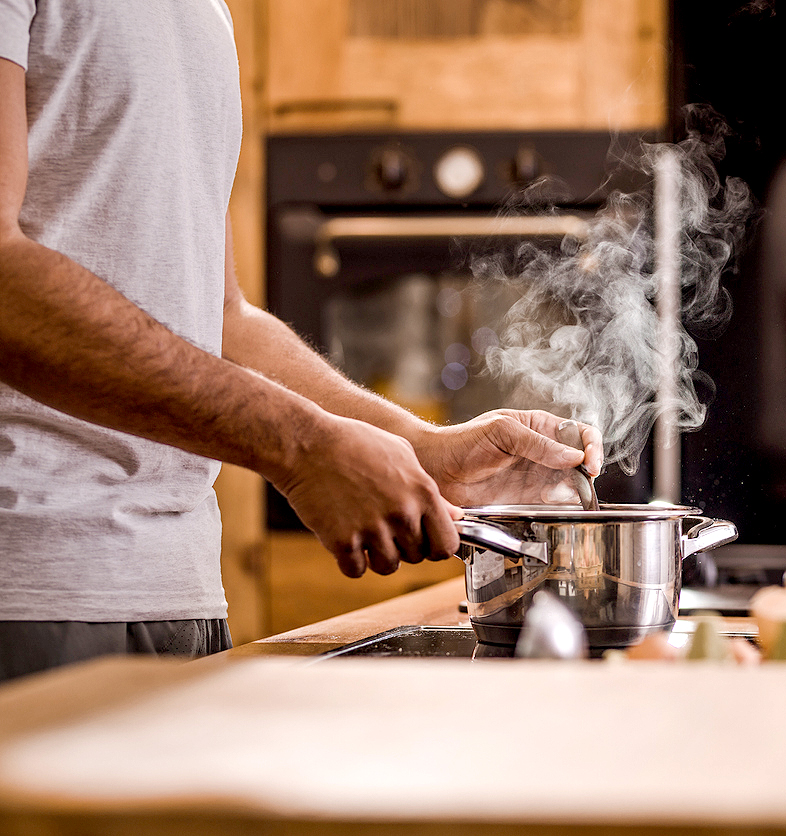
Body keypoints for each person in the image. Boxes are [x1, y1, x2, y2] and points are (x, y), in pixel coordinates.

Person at [0, 1, 601, 681]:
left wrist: (425, 450)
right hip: (26, 592)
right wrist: (300, 445)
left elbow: (218, 317)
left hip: (180, 596)